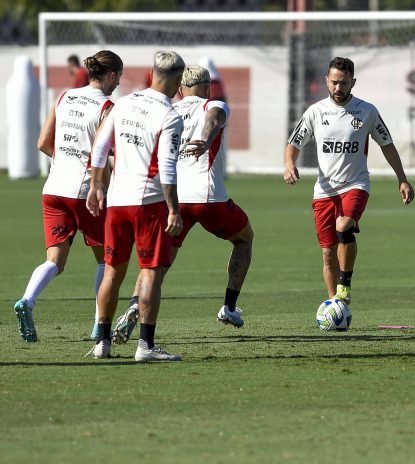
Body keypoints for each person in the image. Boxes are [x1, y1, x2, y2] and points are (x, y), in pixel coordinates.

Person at [110, 65, 253, 344]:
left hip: (172, 200)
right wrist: (206, 140)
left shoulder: (169, 111)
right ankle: (229, 307)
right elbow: (214, 118)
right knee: (244, 239)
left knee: (156, 265)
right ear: (207, 87)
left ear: (180, 89)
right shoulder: (214, 103)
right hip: (208, 198)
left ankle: (133, 306)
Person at [283, 56, 414, 309]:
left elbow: (387, 145)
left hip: (356, 184)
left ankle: (345, 284)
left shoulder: (367, 111)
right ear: (326, 81)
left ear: (353, 82)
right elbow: (294, 144)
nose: (338, 89)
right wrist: (289, 164)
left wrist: (403, 179)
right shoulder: (315, 111)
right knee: (327, 252)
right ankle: (336, 305)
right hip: (324, 190)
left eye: (343, 83)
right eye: (333, 83)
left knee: (343, 226)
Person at [13, 51, 123, 342]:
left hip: (53, 189)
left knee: (55, 261)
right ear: (111, 76)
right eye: (118, 77)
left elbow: (42, 143)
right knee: (105, 260)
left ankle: (27, 300)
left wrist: (66, 160)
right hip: (85, 191)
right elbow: (106, 155)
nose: (119, 83)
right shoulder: (108, 106)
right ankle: (100, 323)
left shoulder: (64, 96)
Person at [86, 51, 185, 362]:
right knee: (151, 272)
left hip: (117, 202)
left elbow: (100, 146)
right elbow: (167, 168)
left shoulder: (125, 102)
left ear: (151, 73)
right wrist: (173, 209)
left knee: (112, 271)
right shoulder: (170, 115)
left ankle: (102, 342)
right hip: (149, 203)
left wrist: (95, 185)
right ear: (178, 81)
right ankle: (145, 346)